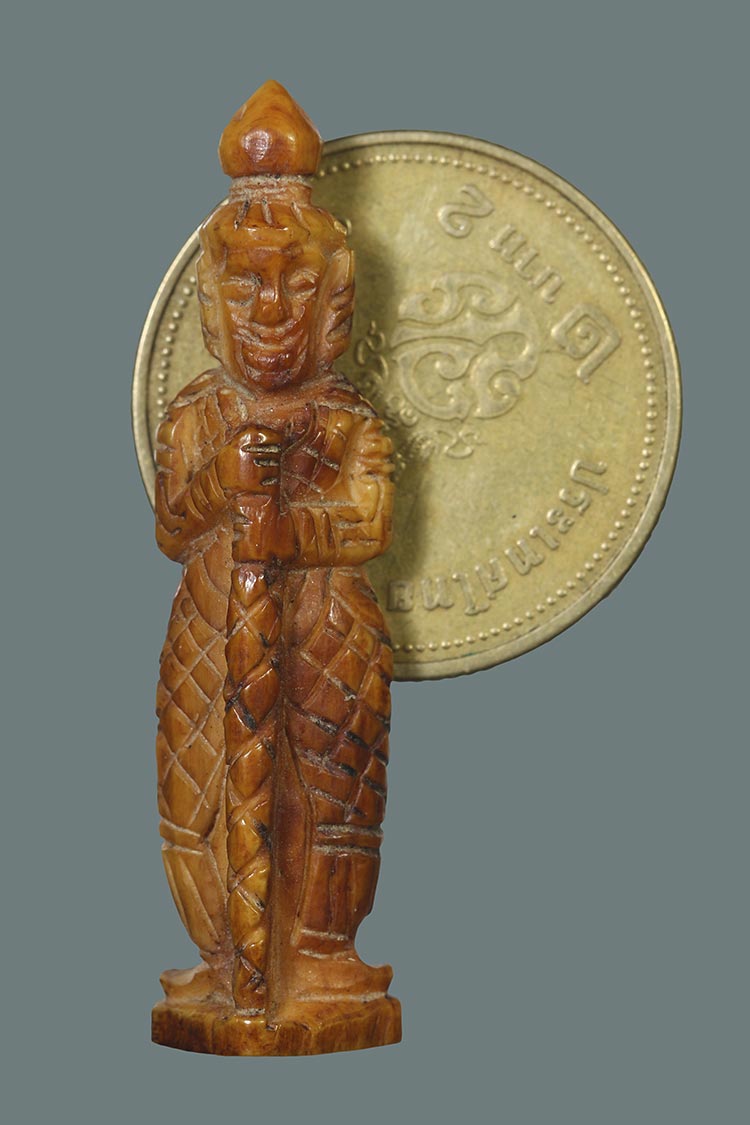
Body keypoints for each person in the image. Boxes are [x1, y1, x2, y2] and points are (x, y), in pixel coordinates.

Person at [153, 81, 396, 1034]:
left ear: (335, 295)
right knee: (201, 787)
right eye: (245, 284)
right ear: (211, 300)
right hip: (214, 628)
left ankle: (321, 951)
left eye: (296, 283)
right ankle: (222, 953)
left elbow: (369, 522)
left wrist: (290, 527)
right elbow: (172, 526)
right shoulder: (196, 415)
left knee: (333, 792)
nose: (270, 307)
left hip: (327, 630)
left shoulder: (347, 419)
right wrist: (220, 485)